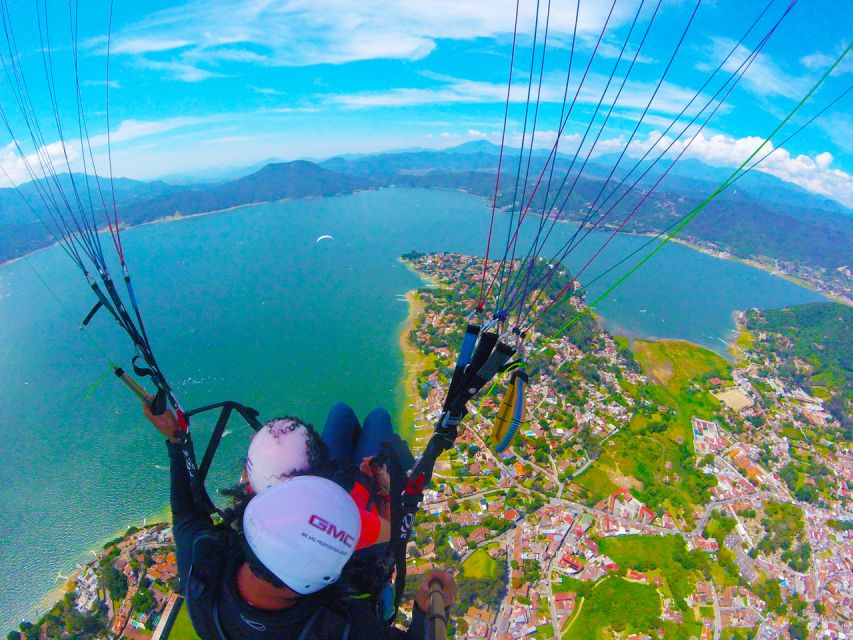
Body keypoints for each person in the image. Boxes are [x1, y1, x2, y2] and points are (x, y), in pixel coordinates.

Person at [144, 403, 457, 639]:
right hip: (371, 538)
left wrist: (176, 439)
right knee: (375, 418)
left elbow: (186, 515)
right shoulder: (341, 626)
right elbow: (186, 518)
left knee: (346, 415)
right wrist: (426, 614)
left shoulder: (207, 576)